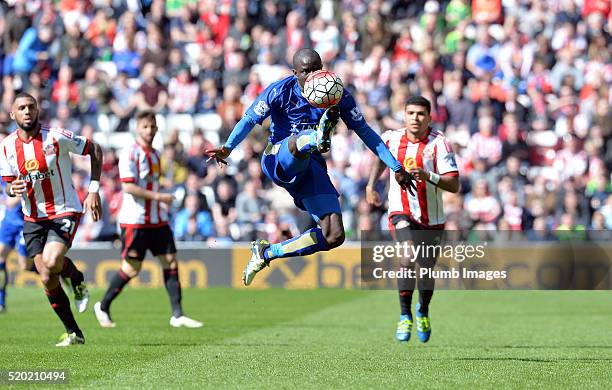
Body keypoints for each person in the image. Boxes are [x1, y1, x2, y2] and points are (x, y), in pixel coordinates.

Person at [206, 48, 416, 286]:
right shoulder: (279, 90)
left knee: (334, 234)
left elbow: (365, 131)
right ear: (295, 72)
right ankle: (316, 136)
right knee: (299, 141)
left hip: (311, 167)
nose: (313, 75)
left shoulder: (338, 94)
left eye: (317, 68)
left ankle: (266, 253)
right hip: (278, 157)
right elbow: (249, 120)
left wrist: (396, 167)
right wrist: (228, 147)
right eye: (306, 71)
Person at [0, 92, 101, 346]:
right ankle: (74, 333)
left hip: (64, 209)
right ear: (13, 114)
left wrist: (94, 189)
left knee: (52, 259)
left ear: (37, 111)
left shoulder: (56, 136)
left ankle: (75, 277)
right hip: (32, 217)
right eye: (21, 108)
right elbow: (8, 183)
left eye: (31, 107)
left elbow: (95, 149)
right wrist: (13, 190)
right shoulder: (6, 146)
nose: (26, 111)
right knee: (46, 274)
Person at [93, 111, 202, 329]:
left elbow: (152, 184)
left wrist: (162, 196)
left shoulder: (155, 154)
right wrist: (159, 197)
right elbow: (128, 186)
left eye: (152, 126)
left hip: (157, 218)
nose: (149, 130)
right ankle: (103, 305)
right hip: (135, 220)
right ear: (137, 128)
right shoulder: (130, 153)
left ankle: (177, 314)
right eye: (145, 127)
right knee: (132, 267)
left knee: (170, 260)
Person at [366, 96, 459, 343]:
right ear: (403, 115)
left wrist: (429, 175)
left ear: (429, 117)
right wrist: (371, 184)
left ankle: (423, 311)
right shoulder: (391, 138)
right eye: (410, 113)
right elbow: (379, 156)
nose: (415, 118)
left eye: (420, 114)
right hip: (401, 210)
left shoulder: (440, 144)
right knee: (407, 256)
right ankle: (405, 315)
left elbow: (454, 184)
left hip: (432, 216)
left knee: (426, 269)